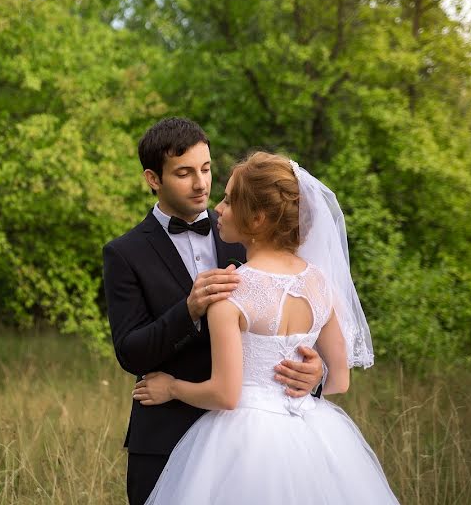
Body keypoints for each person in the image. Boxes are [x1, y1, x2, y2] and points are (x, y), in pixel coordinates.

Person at [132, 151, 399, 504]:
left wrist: (172, 388)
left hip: (242, 441)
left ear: (256, 219)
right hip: (314, 436)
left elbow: (226, 396)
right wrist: (313, 375)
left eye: (229, 200)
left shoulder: (230, 294)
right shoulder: (321, 283)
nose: (219, 209)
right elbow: (340, 380)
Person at [103, 119, 325, 505]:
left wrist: (315, 371)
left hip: (255, 446)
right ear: (153, 178)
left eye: (206, 169)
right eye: (184, 173)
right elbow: (130, 351)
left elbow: (290, 323)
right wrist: (188, 310)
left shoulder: (248, 236)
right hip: (164, 437)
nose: (201, 184)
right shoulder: (124, 253)